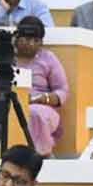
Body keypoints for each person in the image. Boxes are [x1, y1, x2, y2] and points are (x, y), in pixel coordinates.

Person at [10, 17, 70, 155]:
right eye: (26, 39)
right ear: (17, 38)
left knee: (33, 112)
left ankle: (40, 156)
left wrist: (41, 98)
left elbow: (62, 90)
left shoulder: (48, 58)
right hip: (12, 101)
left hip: (41, 106)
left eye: (36, 40)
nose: (31, 44)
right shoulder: (8, 57)